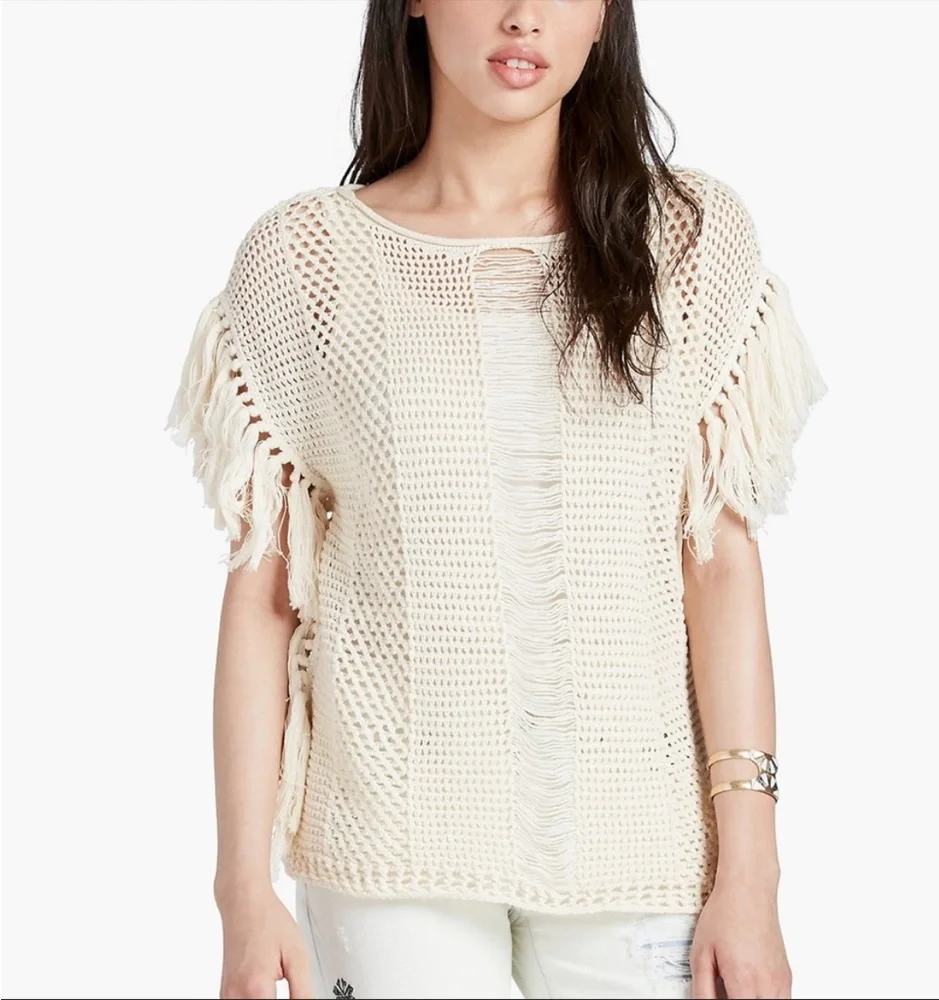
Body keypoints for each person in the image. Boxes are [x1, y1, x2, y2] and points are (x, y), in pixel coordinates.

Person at [166, 1, 827, 997]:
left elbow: (720, 567)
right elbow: (264, 599)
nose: (524, 18)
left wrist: (755, 875)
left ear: (604, 18)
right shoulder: (307, 260)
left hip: (646, 850)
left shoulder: (689, 241)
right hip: (388, 855)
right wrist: (241, 893)